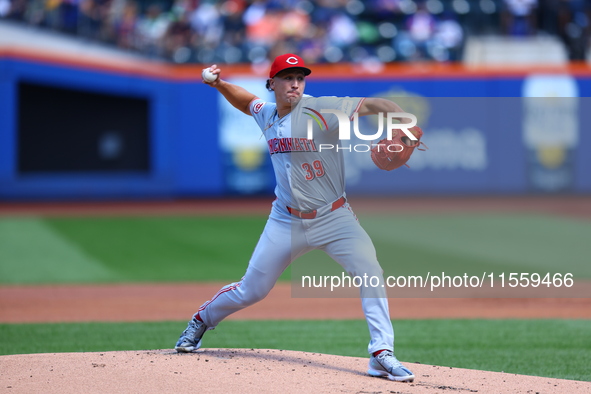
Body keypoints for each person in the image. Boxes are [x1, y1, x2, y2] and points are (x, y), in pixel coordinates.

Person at [175, 53, 416, 383]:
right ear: (272, 83)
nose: (295, 83)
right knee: (252, 290)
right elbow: (247, 102)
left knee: (370, 269)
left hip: (334, 217)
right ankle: (203, 319)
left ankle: (381, 353)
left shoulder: (322, 109)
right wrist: (218, 83)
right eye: (288, 78)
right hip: (285, 221)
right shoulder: (268, 115)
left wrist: (403, 121)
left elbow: (375, 105)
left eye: (300, 78)